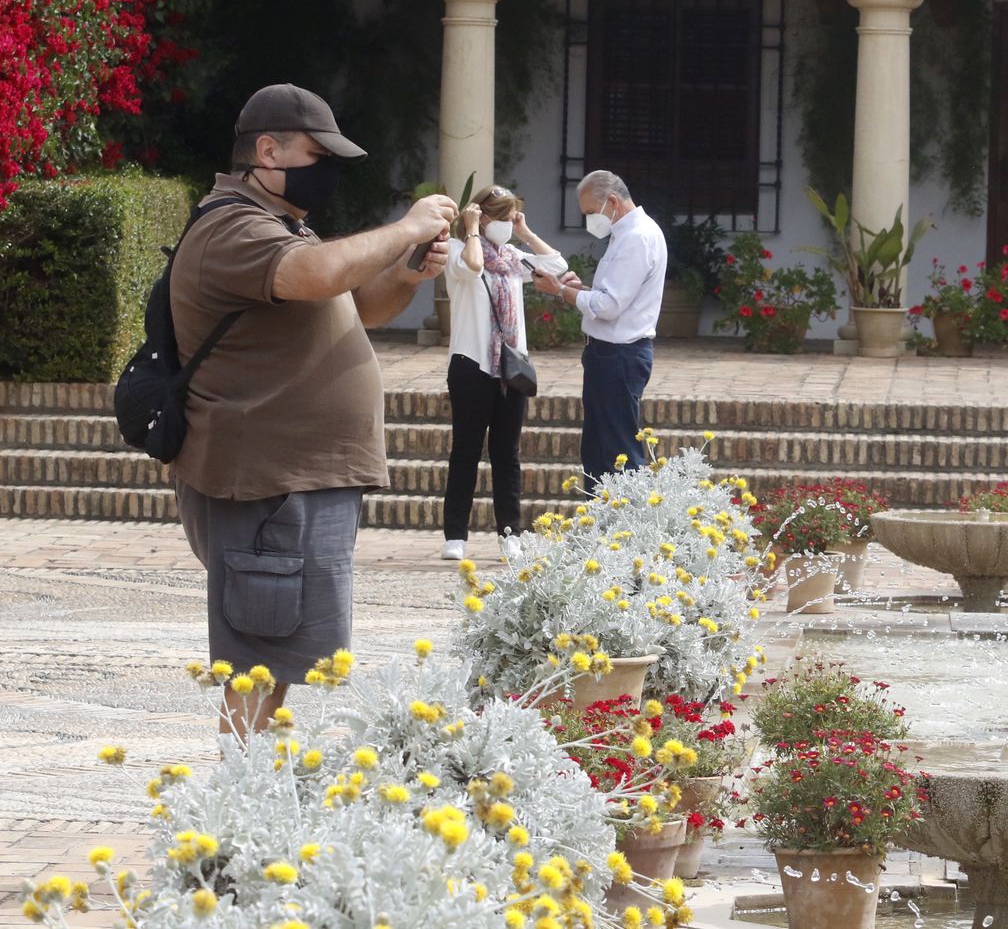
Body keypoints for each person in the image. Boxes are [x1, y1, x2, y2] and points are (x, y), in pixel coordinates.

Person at [169, 83, 456, 736]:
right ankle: (241, 791)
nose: (326, 170)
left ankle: (258, 785)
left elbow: (359, 307)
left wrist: (407, 271)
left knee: (276, 657)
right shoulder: (233, 227)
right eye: (316, 154)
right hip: (266, 483)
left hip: (293, 480)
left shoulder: (281, 226)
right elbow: (321, 275)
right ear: (267, 152)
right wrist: (407, 228)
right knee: (254, 660)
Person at [440, 186, 570, 562]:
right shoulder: (457, 250)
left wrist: (525, 232)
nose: (508, 226)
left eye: (512, 218)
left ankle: (510, 533)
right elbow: (473, 265)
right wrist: (471, 229)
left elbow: (557, 266)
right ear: (482, 217)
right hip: (471, 364)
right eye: (503, 218)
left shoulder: (513, 259)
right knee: (465, 451)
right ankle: (455, 536)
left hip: (511, 367)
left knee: (506, 453)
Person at [534, 170, 666, 491]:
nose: (590, 220)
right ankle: (601, 518)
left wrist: (561, 291)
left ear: (612, 202)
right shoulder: (628, 233)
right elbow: (613, 297)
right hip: (608, 352)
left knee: (618, 453)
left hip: (619, 354)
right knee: (598, 452)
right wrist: (580, 290)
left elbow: (609, 307)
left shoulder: (637, 237)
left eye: (591, 212)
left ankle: (625, 518)